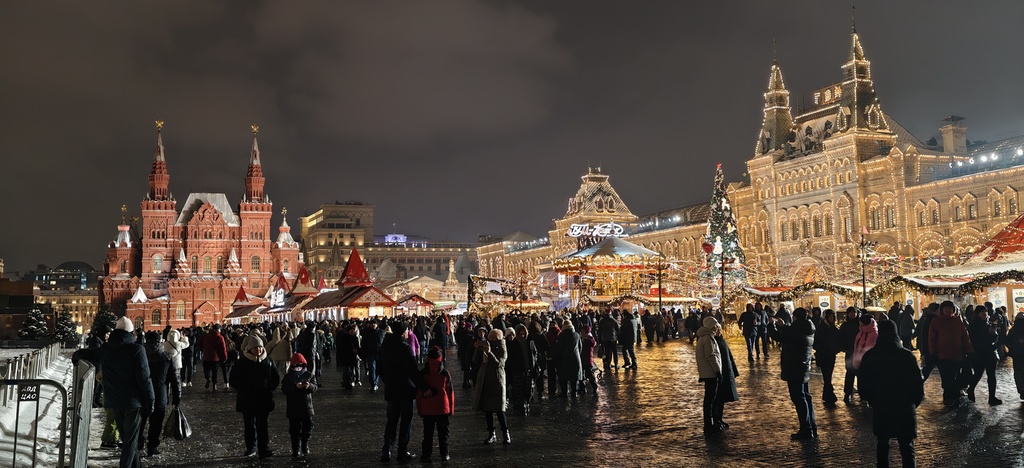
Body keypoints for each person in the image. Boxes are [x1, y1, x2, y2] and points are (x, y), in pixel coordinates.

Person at [858, 320, 924, 468]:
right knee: (907, 445)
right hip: (905, 406)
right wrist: (914, 402)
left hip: (882, 406)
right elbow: (917, 384)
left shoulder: (870, 356)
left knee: (882, 444)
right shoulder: (907, 355)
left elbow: (863, 383)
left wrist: (872, 400)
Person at [101, 317, 155, 468]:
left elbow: (90, 355)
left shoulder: (106, 348)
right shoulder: (137, 349)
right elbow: (144, 378)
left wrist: (77, 356)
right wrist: (150, 401)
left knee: (128, 440)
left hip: (114, 401)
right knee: (130, 442)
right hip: (133, 402)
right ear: (131, 332)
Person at [379, 322, 434, 462]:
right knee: (406, 421)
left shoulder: (384, 346)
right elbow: (413, 371)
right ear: (403, 332)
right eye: (407, 330)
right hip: (405, 389)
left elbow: (380, 368)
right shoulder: (405, 348)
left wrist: (388, 380)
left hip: (391, 389)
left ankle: (387, 450)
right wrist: (424, 387)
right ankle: (402, 451)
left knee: (391, 421)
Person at [229, 335, 280, 459]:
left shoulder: (268, 361)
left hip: (263, 398)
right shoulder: (241, 363)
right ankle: (251, 448)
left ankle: (263, 449)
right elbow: (233, 380)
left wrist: (270, 388)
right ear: (249, 349)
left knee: (263, 425)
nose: (258, 350)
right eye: (255, 348)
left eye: (260, 347)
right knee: (250, 425)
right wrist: (244, 388)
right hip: (247, 399)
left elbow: (275, 377)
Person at [770, 307, 817, 440]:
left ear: (795, 317)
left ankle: (806, 429)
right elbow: (792, 335)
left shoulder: (796, 329)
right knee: (806, 396)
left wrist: (771, 325)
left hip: (794, 367)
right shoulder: (807, 328)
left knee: (799, 398)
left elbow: (778, 337)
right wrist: (784, 326)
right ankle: (812, 426)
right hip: (803, 366)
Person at [140, 331, 180, 458]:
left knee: (140, 421)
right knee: (156, 423)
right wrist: (177, 396)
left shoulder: (140, 356)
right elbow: (175, 379)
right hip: (160, 394)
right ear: (160, 341)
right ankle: (152, 446)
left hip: (142, 394)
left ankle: (138, 442)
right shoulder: (166, 357)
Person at [929, 301, 973, 407]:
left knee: (955, 376)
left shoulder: (957, 321)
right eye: (946, 308)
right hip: (942, 354)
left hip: (957, 354)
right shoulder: (936, 321)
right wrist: (932, 353)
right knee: (947, 377)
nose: (948, 310)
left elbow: (965, 336)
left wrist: (969, 349)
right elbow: (932, 338)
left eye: (950, 308)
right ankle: (949, 396)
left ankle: (953, 396)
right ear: (942, 310)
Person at [417, 346, 454, 463]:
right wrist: (451, 409)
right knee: (444, 433)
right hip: (442, 408)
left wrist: (420, 410)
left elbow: (419, 394)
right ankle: (445, 453)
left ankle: (426, 455)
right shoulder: (445, 373)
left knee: (428, 434)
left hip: (427, 409)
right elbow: (450, 392)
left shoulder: (423, 374)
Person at [473, 329, 510, 445]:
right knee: (487, 409)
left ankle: (505, 433)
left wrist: (489, 352)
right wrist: (477, 350)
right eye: (490, 337)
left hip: (497, 380)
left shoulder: (502, 348)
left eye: (494, 338)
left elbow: (499, 364)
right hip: (485, 380)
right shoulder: (485, 346)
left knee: (499, 410)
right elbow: (475, 361)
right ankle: (491, 433)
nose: (492, 340)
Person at [281, 353, 317, 457]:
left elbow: (315, 387)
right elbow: (285, 390)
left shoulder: (309, 375)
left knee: (308, 428)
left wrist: (309, 386)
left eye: (300, 365)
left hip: (306, 407)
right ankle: (295, 448)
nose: (298, 368)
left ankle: (304, 445)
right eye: (296, 365)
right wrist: (295, 387)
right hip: (293, 408)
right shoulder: (288, 377)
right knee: (294, 430)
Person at [966, 308, 1002, 405]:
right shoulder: (973, 325)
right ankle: (971, 389)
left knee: (992, 375)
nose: (984, 314)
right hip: (979, 353)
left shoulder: (988, 324)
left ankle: (992, 397)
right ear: (977, 313)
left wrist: (994, 334)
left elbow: (993, 338)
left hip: (990, 353)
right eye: (982, 312)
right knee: (978, 374)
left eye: (985, 312)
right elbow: (973, 339)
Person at [695, 316, 723, 434]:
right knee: (710, 399)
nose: (717, 328)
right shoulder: (708, 338)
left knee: (709, 399)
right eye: (716, 326)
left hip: (707, 372)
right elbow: (711, 356)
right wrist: (718, 371)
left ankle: (710, 422)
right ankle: (709, 424)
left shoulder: (704, 337)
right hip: (710, 373)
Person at [713, 317, 739, 430]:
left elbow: (729, 356)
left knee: (722, 398)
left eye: (719, 329)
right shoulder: (713, 342)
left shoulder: (722, 341)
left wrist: (734, 371)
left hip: (725, 372)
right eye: (717, 329)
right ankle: (716, 419)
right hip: (718, 373)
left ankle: (719, 418)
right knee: (717, 398)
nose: (719, 331)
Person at [812, 309, 841, 406]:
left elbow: (838, 341)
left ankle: (827, 396)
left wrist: (836, 349)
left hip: (831, 356)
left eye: (833, 317)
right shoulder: (821, 328)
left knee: (828, 377)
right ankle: (830, 396)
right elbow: (815, 343)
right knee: (827, 376)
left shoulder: (834, 328)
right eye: (830, 317)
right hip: (823, 356)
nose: (831, 319)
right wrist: (822, 349)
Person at [552, 321, 583, 399]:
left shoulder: (561, 335)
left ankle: (564, 393)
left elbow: (558, 348)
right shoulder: (577, 335)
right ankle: (574, 393)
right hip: (575, 359)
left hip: (563, 359)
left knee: (564, 378)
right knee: (574, 378)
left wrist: (555, 357)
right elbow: (580, 347)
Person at [838, 307, 861, 403]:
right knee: (850, 373)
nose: (852, 314)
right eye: (850, 312)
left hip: (859, 353)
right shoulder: (845, 326)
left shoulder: (860, 325)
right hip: (850, 352)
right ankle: (847, 393)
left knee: (860, 374)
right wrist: (844, 347)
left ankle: (862, 394)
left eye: (853, 312)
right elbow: (841, 338)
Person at [201, 324, 228, 391]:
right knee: (214, 372)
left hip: (206, 356)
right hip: (215, 358)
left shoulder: (206, 336)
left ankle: (208, 378)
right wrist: (224, 357)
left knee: (206, 370)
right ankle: (214, 385)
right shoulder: (220, 337)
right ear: (218, 330)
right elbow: (223, 349)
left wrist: (203, 349)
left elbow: (199, 343)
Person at [362, 320, 386, 392]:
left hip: (379, 354)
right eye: (372, 324)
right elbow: (364, 343)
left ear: (377, 324)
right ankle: (373, 384)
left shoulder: (381, 332)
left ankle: (375, 383)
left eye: (374, 323)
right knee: (372, 368)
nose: (373, 325)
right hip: (370, 353)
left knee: (377, 369)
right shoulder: (367, 332)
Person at [1005, 313, 1024, 400]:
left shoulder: (1013, 330)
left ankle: (1021, 388)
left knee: (1018, 371)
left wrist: (1011, 348)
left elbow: (1007, 340)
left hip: (1017, 354)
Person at [579, 324, 599, 394]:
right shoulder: (582, 338)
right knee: (581, 374)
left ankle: (595, 387)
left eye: (583, 331)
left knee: (589, 374)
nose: (582, 332)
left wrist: (584, 340)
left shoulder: (589, 339)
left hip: (587, 359)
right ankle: (582, 388)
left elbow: (592, 343)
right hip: (582, 358)